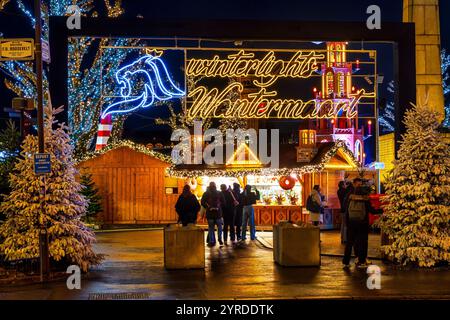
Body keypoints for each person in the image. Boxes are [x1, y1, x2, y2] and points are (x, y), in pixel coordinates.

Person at [342, 180, 380, 268]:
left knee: (349, 243)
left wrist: (347, 223)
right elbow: (372, 211)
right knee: (362, 242)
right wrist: (382, 210)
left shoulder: (350, 198)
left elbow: (345, 209)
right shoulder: (365, 199)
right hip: (362, 224)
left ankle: (346, 261)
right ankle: (361, 262)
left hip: (351, 223)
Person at [201, 182, 225, 246]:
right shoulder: (219, 193)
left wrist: (207, 207)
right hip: (218, 213)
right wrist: (219, 207)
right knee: (219, 227)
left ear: (209, 186)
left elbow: (202, 202)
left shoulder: (206, 193)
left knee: (211, 227)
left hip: (210, 213)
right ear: (215, 186)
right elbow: (224, 202)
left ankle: (211, 241)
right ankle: (220, 238)